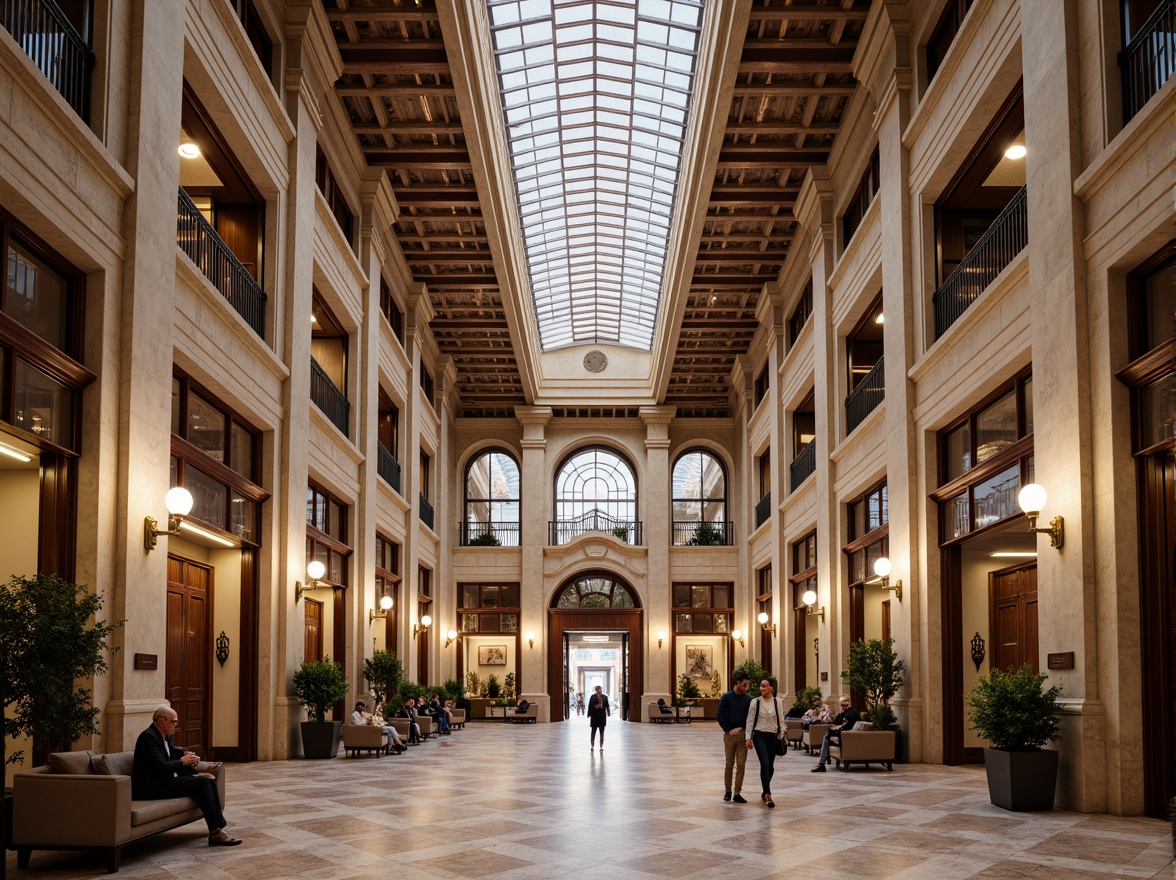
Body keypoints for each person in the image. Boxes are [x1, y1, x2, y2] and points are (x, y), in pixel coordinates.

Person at [132, 706, 241, 846]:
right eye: (173, 722)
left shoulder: (165, 736)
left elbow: (171, 759)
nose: (175, 725)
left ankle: (217, 829)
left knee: (207, 781)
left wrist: (195, 773)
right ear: (160, 721)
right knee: (202, 784)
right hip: (153, 786)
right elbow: (162, 767)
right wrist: (182, 762)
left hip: (166, 780)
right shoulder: (148, 738)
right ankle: (216, 832)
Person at [744, 678, 786, 808]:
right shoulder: (755, 702)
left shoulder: (777, 702)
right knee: (765, 763)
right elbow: (750, 720)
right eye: (761, 686)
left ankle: (764, 790)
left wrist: (782, 734)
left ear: (771, 688)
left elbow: (781, 719)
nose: (762, 689)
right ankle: (768, 794)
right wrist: (748, 738)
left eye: (765, 686)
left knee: (771, 766)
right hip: (759, 734)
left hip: (773, 735)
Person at [716, 669, 752, 803]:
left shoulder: (749, 699)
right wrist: (728, 729)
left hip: (742, 735)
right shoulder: (726, 697)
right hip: (729, 735)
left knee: (741, 764)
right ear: (738, 683)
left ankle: (737, 792)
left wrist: (746, 733)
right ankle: (728, 791)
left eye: (747, 685)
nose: (746, 687)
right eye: (744, 684)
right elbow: (720, 714)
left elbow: (751, 717)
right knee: (729, 763)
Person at [811, 695, 861, 772]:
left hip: (847, 736)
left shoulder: (852, 713)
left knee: (827, 736)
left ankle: (822, 763)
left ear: (849, 703)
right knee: (827, 735)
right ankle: (822, 762)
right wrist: (841, 715)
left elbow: (847, 726)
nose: (844, 707)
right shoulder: (844, 713)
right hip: (843, 735)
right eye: (842, 705)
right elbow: (836, 723)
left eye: (846, 705)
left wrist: (839, 727)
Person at [586, 685, 610, 750]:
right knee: (593, 731)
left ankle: (601, 746)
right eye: (597, 689)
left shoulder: (605, 697)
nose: (599, 691)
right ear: (595, 690)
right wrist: (589, 714)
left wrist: (608, 712)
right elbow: (590, 706)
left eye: (599, 689)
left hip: (602, 716)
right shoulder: (593, 697)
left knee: (602, 731)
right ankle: (592, 745)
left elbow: (607, 706)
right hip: (594, 716)